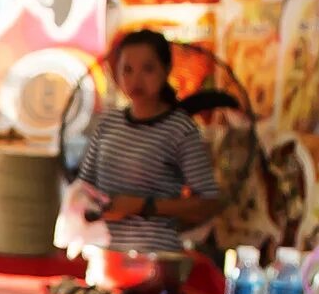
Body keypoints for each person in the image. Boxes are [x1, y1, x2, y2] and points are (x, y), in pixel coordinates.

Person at [76, 29, 222, 254]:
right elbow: (85, 188)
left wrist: (145, 205)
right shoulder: (108, 123)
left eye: (148, 69)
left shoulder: (179, 129)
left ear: (166, 71)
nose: (136, 79)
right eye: (128, 70)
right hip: (102, 254)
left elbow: (208, 203)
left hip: (155, 258)